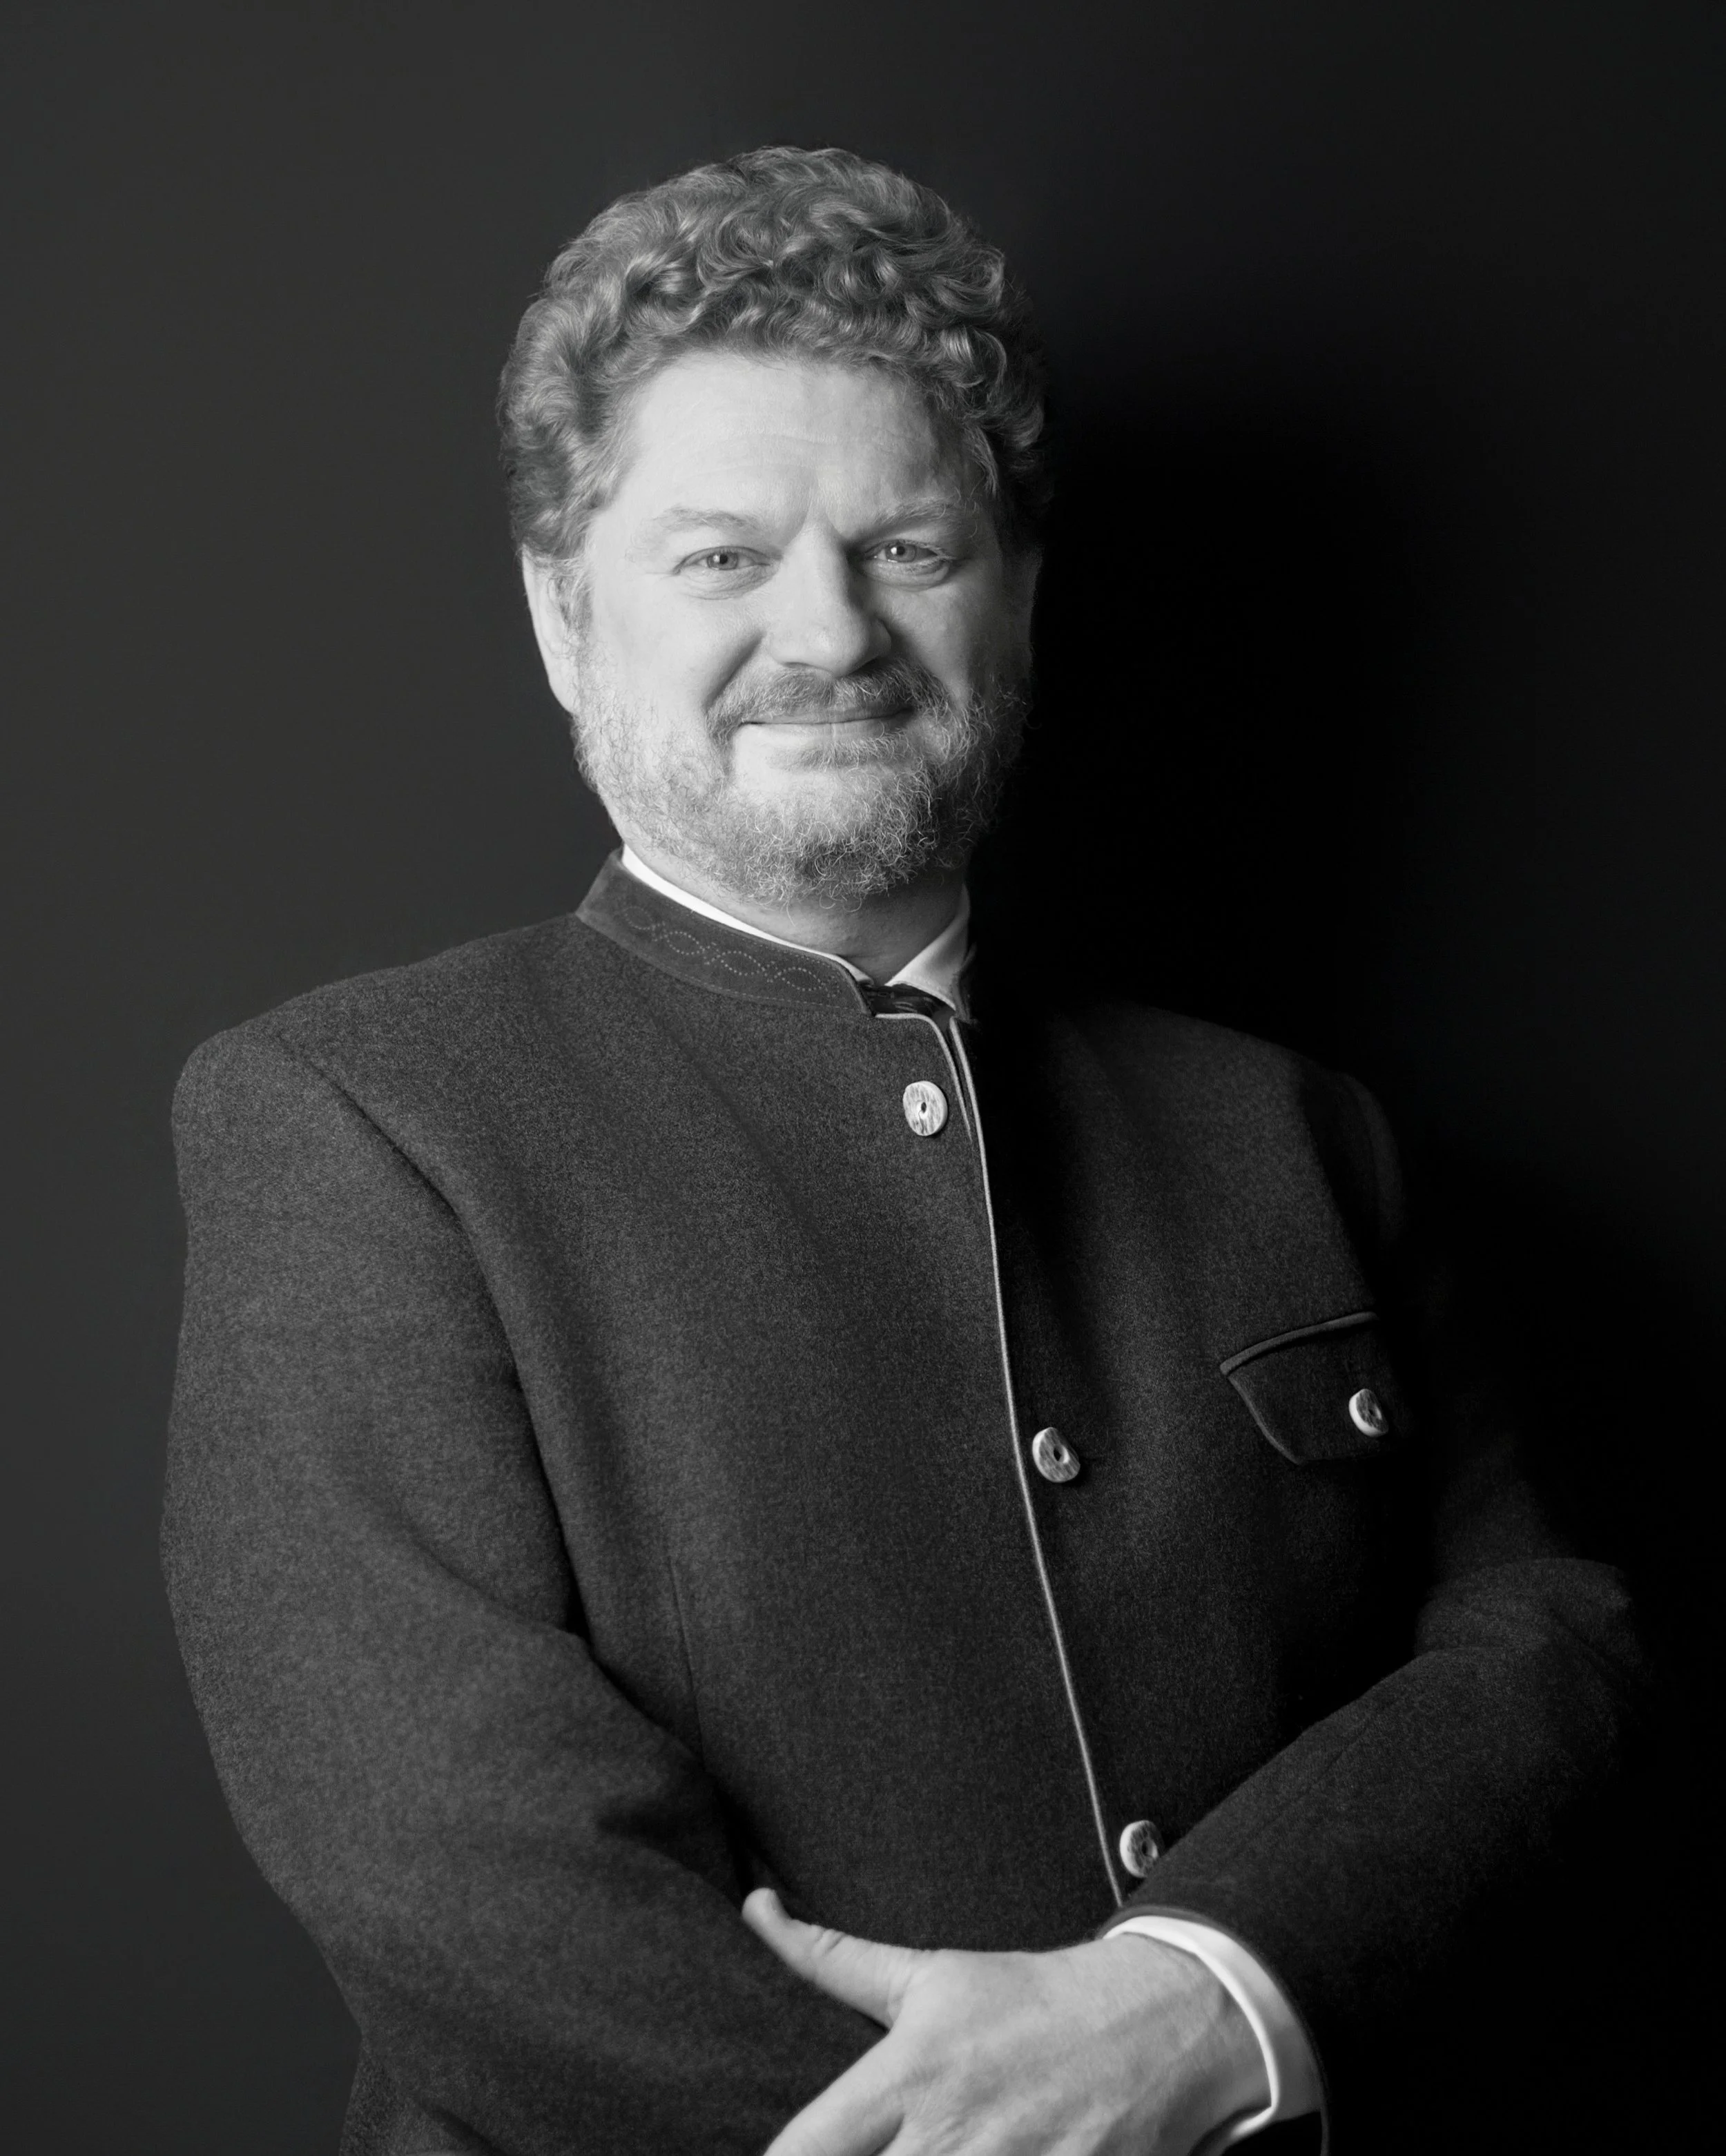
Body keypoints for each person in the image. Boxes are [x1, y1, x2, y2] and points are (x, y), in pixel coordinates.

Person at [162, 146, 1642, 2156]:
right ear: (558, 613)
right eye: (719, 558)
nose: (829, 632)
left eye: (908, 549)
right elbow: (458, 1864)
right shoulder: (360, 1121)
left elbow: (1542, 1654)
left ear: (1014, 597)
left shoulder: (1291, 1131)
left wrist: (1206, 1999)